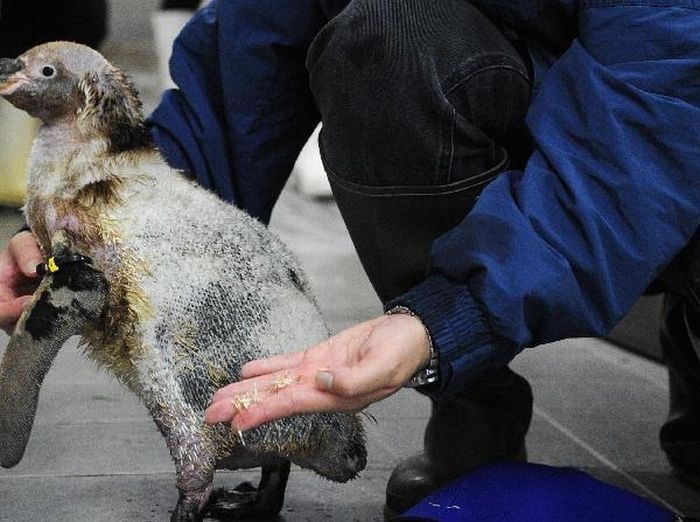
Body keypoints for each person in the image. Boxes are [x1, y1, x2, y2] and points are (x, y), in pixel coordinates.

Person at [1, 0, 698, 516]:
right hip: (539, 104)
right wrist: (113, 215)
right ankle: (473, 407)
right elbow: (244, 67)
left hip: (664, 131)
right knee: (392, 31)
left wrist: (457, 316)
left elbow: (654, 118)